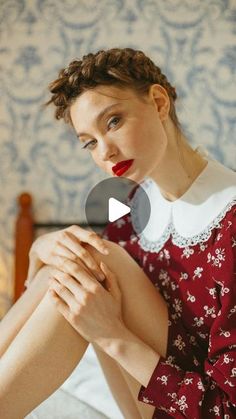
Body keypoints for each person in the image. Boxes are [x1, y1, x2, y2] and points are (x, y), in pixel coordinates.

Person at [0, 47, 235, 419]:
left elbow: (227, 408)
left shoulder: (230, 221)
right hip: (142, 405)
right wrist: (39, 250)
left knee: (92, 258)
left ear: (159, 103)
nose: (105, 151)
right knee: (79, 257)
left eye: (113, 122)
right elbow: (56, 288)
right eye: (89, 142)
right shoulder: (130, 210)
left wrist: (112, 335)